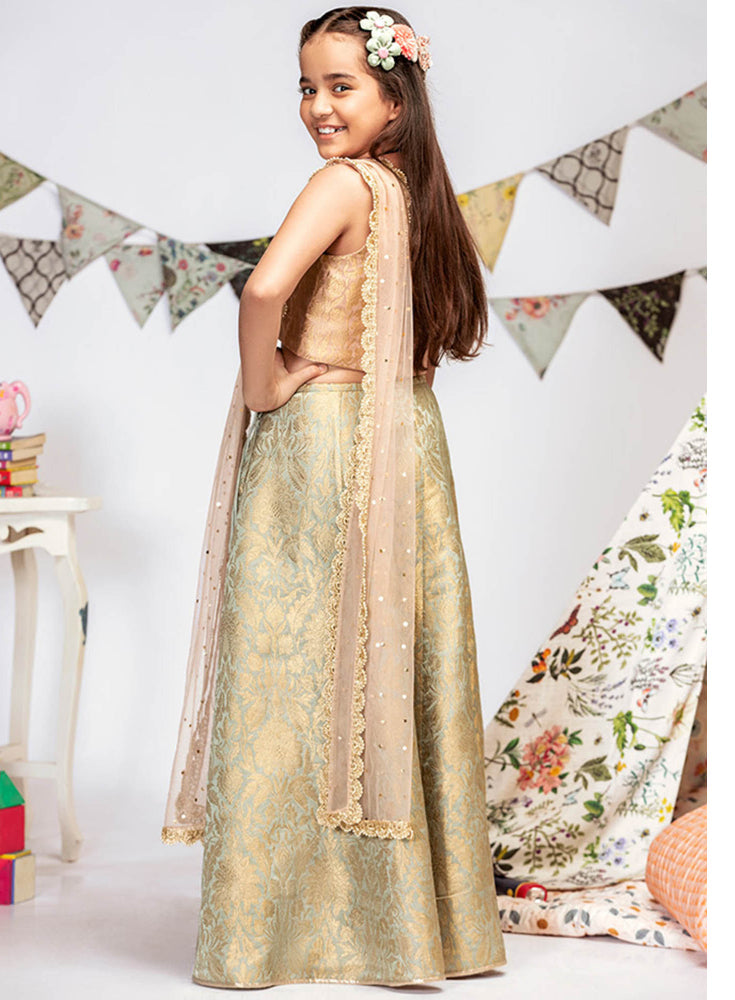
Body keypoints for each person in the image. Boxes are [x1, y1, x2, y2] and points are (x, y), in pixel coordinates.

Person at [161, 6, 507, 988]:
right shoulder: (420, 193)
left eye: (340, 85)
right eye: (306, 87)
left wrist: (266, 382)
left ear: (396, 96)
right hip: (406, 441)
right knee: (386, 665)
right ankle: (405, 927)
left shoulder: (345, 184)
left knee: (289, 673)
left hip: (323, 446)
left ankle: (277, 930)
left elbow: (263, 289)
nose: (317, 106)